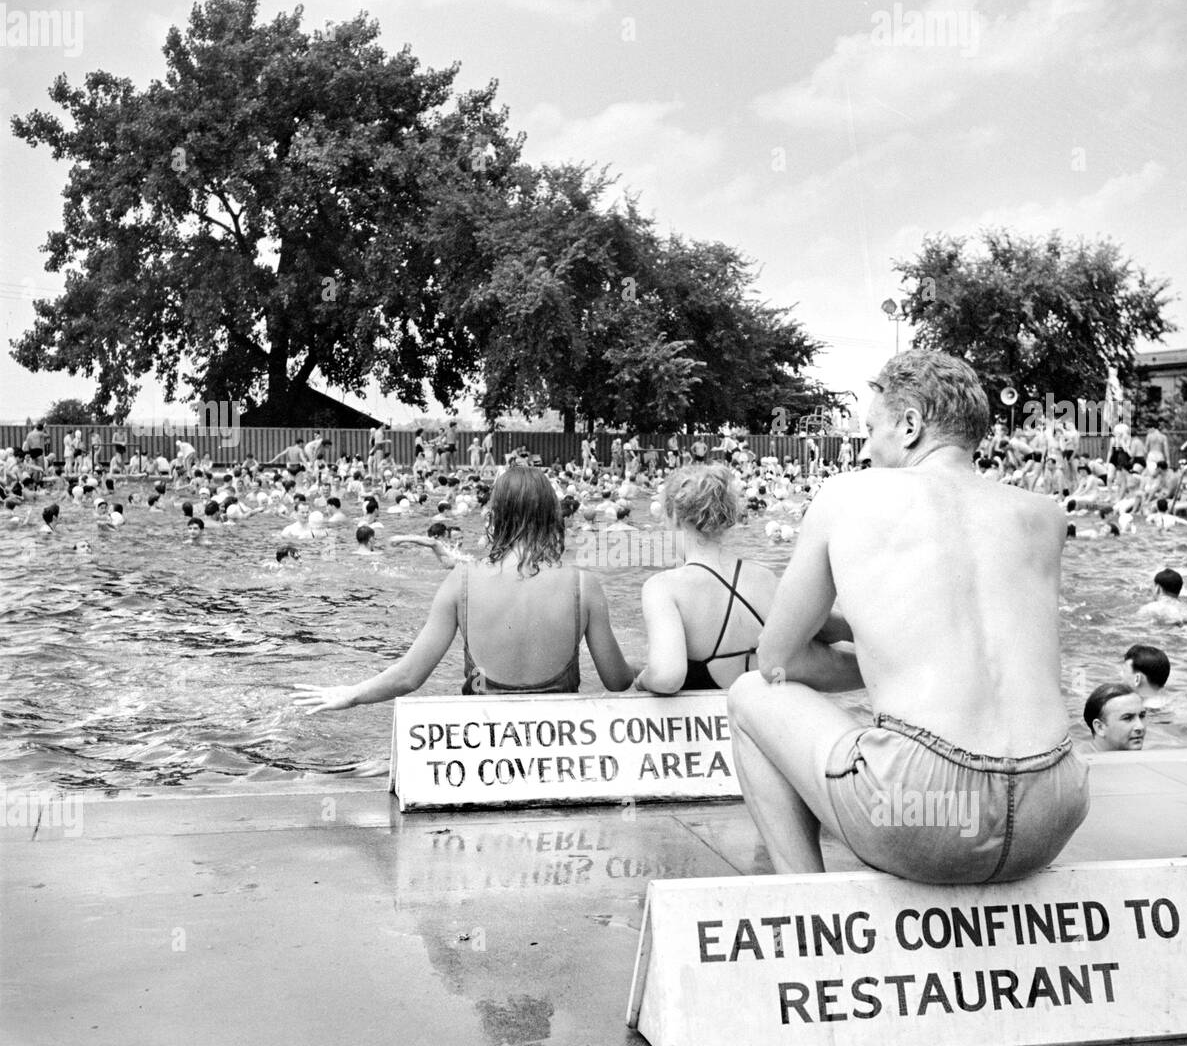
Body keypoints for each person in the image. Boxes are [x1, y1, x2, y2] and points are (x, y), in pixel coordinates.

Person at [727, 349, 1090, 885]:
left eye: (872, 429)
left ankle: (804, 897)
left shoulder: (847, 495)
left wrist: (866, 652)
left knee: (749, 695)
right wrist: (878, 642)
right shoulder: (1043, 515)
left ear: (911, 425)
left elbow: (775, 661)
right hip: (1053, 806)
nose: (866, 446)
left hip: (924, 808)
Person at [294, 467, 636, 710]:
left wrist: (352, 693)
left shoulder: (463, 581)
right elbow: (617, 681)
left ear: (496, 515)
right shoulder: (583, 585)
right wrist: (666, 670)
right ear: (550, 516)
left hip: (483, 749)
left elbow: (409, 676)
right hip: (556, 752)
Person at [637, 465, 794, 694]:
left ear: (674, 516)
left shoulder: (663, 587)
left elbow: (666, 676)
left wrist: (641, 680)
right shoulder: (765, 578)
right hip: (760, 717)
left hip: (700, 724)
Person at [1085, 683, 1147, 751]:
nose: (1141, 726)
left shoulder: (1155, 753)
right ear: (1100, 727)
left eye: (1142, 716)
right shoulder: (1079, 759)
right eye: (1127, 718)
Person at [1120, 643, 1171, 709]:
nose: (1120, 674)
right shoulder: (1169, 703)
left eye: (1124, 671)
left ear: (1137, 679)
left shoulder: (1139, 714)